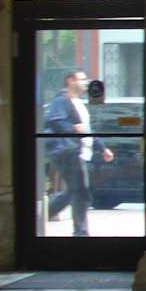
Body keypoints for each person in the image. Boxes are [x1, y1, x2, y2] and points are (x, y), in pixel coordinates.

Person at [43, 70, 113, 236]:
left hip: (78, 152)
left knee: (72, 192)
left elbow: (86, 130)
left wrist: (102, 148)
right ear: (70, 81)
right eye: (81, 79)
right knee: (81, 192)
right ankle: (81, 233)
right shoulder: (61, 100)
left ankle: (42, 215)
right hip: (68, 151)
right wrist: (73, 128)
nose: (85, 82)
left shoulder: (79, 103)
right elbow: (55, 121)